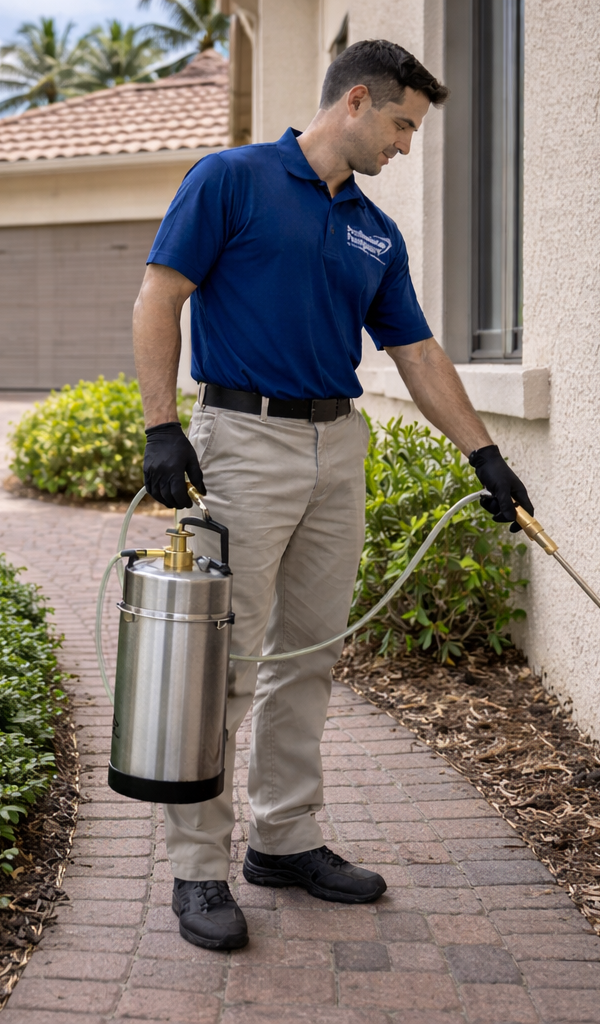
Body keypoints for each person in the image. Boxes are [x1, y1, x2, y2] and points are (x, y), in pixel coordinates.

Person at [130, 38, 536, 951]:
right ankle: (198, 870)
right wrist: (162, 427)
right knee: (220, 666)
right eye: (401, 124)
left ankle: (285, 839)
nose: (404, 145)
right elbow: (160, 296)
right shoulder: (230, 179)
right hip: (242, 440)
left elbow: (419, 354)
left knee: (307, 655)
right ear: (356, 101)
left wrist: (484, 456)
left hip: (336, 447)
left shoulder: (373, 232)